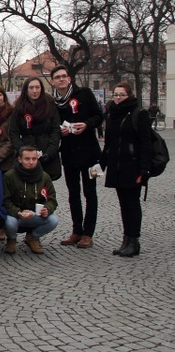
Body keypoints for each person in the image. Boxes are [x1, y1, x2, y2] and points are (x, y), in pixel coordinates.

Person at [50, 65, 103, 249]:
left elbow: (99, 116)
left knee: (90, 193)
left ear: (69, 79)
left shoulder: (84, 94)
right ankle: (76, 230)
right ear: (53, 81)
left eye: (64, 76)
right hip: (69, 153)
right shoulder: (55, 102)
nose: (61, 79)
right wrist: (60, 132)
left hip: (89, 153)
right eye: (58, 77)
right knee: (73, 194)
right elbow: (53, 125)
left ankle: (88, 233)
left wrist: (87, 124)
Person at [99, 82, 152, 257]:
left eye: (122, 94)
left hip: (133, 165)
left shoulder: (139, 114)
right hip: (117, 166)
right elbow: (108, 144)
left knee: (133, 203)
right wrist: (101, 164)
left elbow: (146, 143)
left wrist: (144, 169)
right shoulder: (111, 114)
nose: (118, 98)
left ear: (129, 95)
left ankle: (134, 240)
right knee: (123, 204)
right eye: (115, 94)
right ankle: (126, 239)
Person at [2, 146, 59, 255]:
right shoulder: (9, 176)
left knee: (53, 220)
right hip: (16, 215)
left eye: (34, 159)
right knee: (9, 221)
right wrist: (17, 212)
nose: (31, 162)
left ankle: (33, 237)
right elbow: (5, 201)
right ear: (20, 159)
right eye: (27, 159)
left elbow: (52, 199)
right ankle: (11, 239)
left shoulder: (44, 176)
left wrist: (47, 209)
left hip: (35, 215)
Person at [9, 77, 62, 181]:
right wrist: (22, 152)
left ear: (41, 89)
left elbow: (55, 130)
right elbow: (13, 132)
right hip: (26, 153)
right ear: (26, 90)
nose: (34, 91)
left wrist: (50, 152)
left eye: (37, 87)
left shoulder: (50, 105)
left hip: (47, 152)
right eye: (31, 88)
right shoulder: (19, 107)